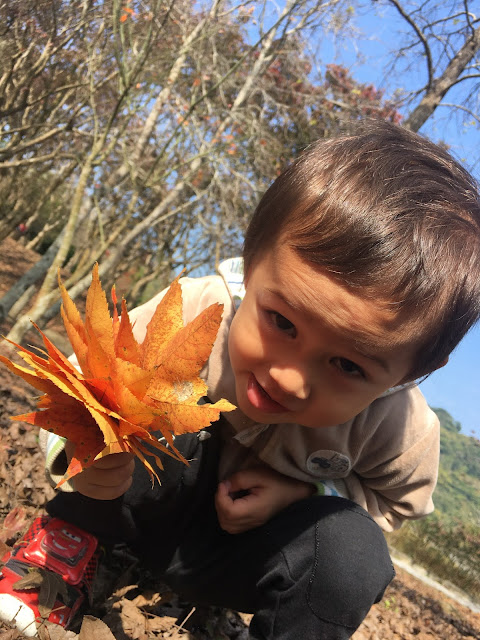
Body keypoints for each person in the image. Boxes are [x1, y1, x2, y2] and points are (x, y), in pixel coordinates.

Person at [33, 121, 480, 638]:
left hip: (241, 559)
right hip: (133, 509)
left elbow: (397, 504)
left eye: (349, 366)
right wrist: (78, 454)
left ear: (409, 376)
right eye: (282, 322)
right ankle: (53, 560)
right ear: (250, 264)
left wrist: (305, 492)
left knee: (353, 551)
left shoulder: (402, 429)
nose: (289, 378)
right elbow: (82, 379)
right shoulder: (200, 310)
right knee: (136, 399)